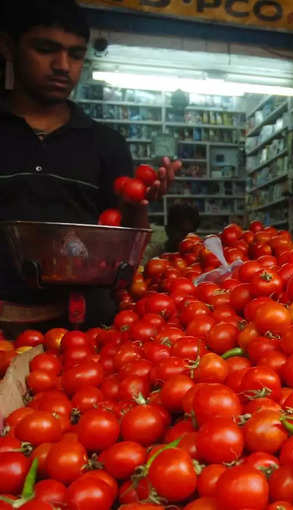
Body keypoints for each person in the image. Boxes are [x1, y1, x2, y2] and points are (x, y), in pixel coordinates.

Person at [0, 0, 180, 327]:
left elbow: (124, 250)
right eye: (45, 49)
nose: (62, 65)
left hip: (83, 330)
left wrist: (139, 202)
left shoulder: (106, 144)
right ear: (8, 47)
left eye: (76, 54)